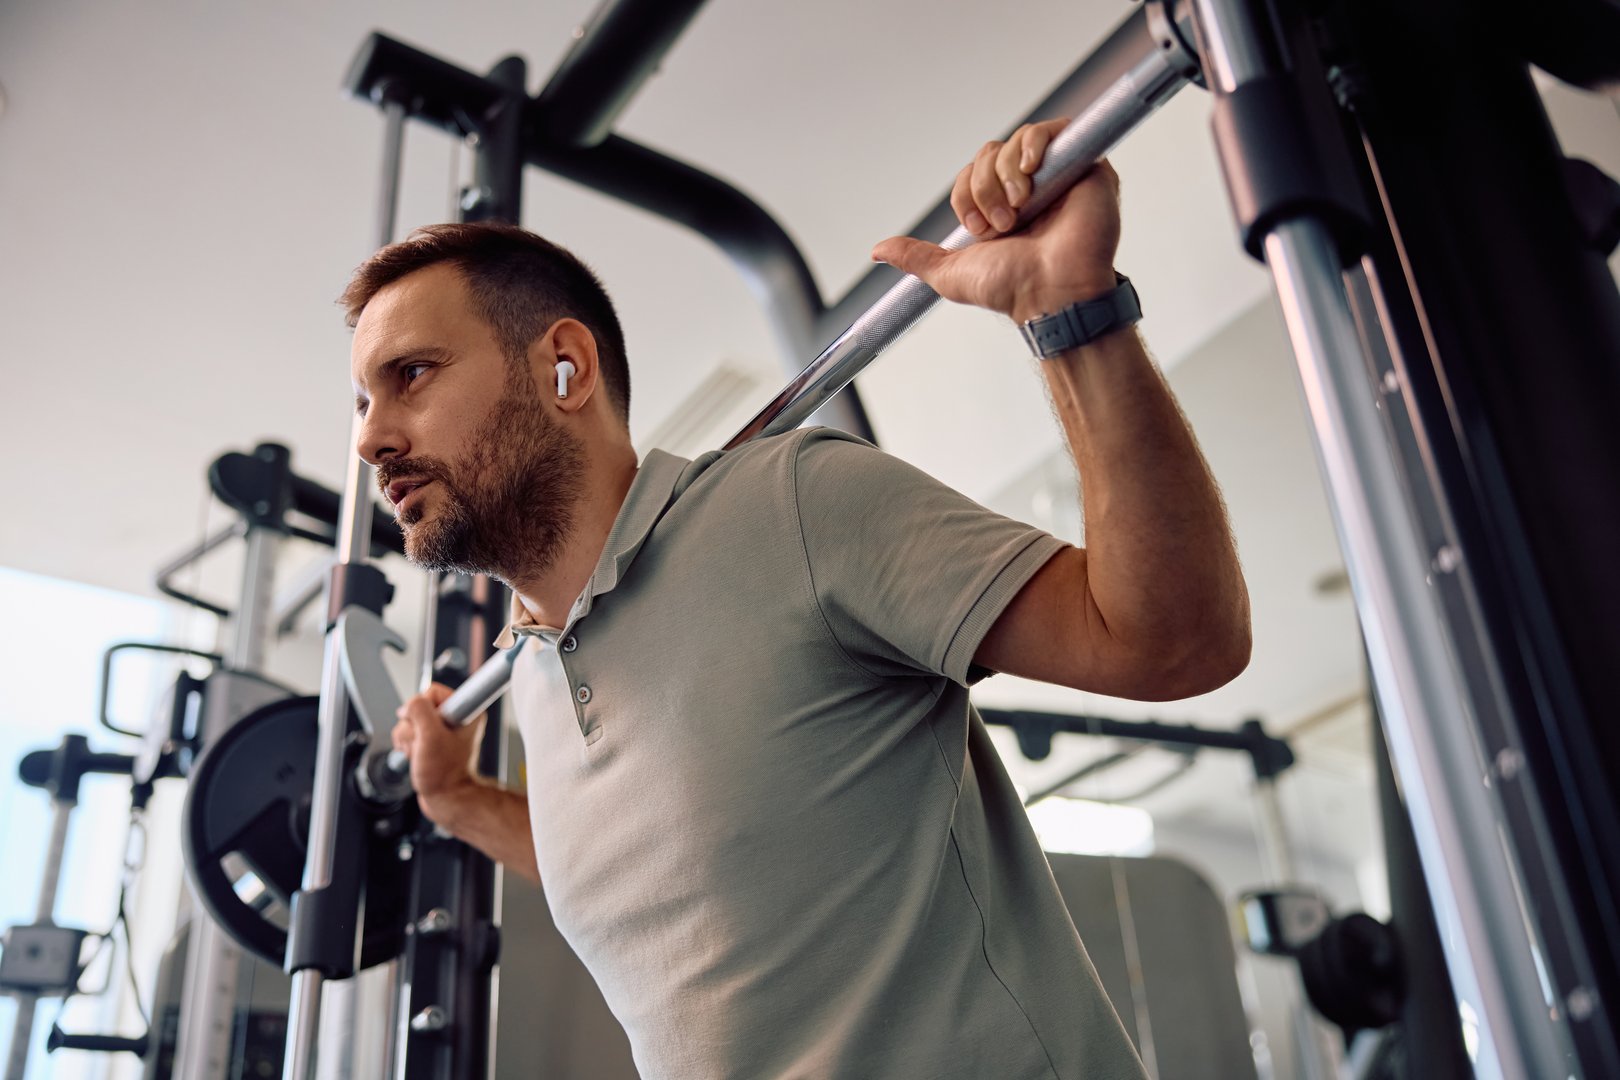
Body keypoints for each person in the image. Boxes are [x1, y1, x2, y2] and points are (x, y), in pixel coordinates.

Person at [344, 119, 1250, 1080]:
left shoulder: (791, 504)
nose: (370, 439)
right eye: (362, 402)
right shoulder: (535, 668)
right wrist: (462, 803)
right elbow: (683, 893)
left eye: (410, 376)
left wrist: (1072, 314)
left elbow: (1172, 642)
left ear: (563, 367)